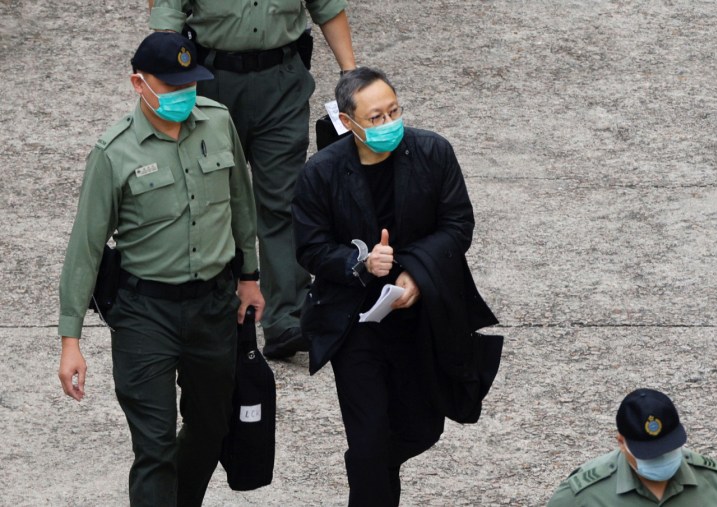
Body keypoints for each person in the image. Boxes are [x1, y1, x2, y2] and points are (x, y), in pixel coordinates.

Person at [57, 32, 265, 507]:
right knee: (153, 445)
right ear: (138, 83)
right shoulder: (113, 152)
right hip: (144, 314)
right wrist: (71, 341)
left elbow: (240, 203)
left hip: (214, 306)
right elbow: (85, 247)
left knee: (211, 429)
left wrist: (250, 278)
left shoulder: (217, 122)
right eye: (171, 87)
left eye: (191, 84)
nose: (184, 95)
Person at [292, 67, 500, 506]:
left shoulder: (433, 152)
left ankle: (373, 471)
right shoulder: (321, 173)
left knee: (420, 429)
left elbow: (458, 224)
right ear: (348, 123)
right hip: (355, 324)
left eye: (394, 111)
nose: (389, 124)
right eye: (376, 117)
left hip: (421, 317)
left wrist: (416, 274)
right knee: (367, 442)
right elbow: (310, 248)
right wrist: (359, 262)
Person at [148, 0, 356, 359]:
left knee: (284, 199)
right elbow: (167, 16)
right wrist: (162, 81)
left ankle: (286, 318)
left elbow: (327, 7)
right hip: (211, 83)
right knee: (210, 199)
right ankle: (214, 314)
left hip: (282, 82)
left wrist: (350, 74)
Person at [547, 388, 717, 506]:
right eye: (649, 454)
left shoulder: (714, 480)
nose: (661, 457)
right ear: (621, 443)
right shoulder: (582, 495)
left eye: (668, 448)